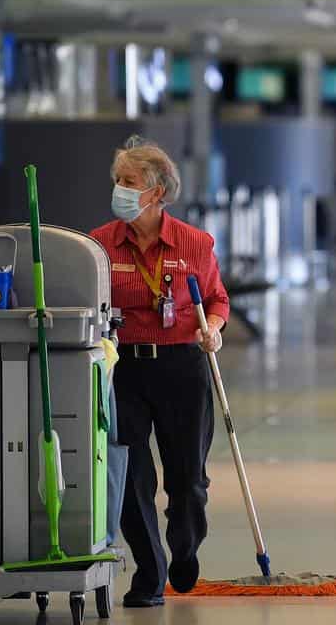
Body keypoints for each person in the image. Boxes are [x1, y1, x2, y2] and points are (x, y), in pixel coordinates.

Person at [90, 137, 230, 609]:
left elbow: (217, 299)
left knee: (187, 479)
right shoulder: (100, 245)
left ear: (156, 192)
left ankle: (186, 546)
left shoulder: (194, 243)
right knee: (131, 476)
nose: (119, 190)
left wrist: (212, 328)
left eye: (129, 182)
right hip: (124, 367)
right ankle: (150, 572)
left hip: (182, 367)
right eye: (117, 181)